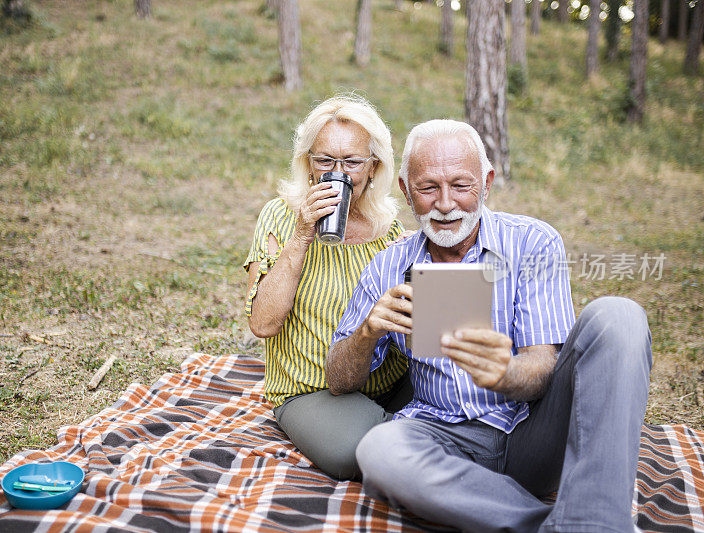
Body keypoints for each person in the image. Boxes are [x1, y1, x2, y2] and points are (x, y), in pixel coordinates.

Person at [326, 119, 653, 532]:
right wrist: (367, 332)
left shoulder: (534, 242)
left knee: (619, 316)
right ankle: (561, 526)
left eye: (461, 186)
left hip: (528, 432)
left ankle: (595, 521)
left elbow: (541, 367)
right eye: (428, 188)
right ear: (407, 191)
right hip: (440, 439)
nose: (446, 204)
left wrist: (506, 373)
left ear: (487, 182)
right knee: (380, 451)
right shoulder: (387, 267)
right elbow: (338, 380)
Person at [243, 95, 411, 480]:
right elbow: (263, 324)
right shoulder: (281, 216)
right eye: (325, 161)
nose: (339, 173)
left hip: (387, 380)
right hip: (311, 390)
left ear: (373, 169)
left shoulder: (391, 231)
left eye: (352, 162)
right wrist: (302, 235)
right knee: (353, 452)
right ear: (307, 163)